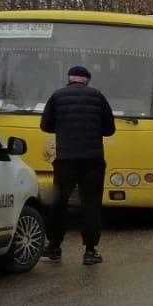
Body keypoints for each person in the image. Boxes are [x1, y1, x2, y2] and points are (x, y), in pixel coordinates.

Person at [40, 65, 116, 266]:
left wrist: (64, 128)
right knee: (91, 205)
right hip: (92, 161)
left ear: (69, 79)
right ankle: (90, 251)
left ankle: (54, 247)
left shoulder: (57, 96)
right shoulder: (98, 97)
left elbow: (45, 125)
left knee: (59, 203)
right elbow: (110, 129)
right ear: (87, 80)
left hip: (65, 161)